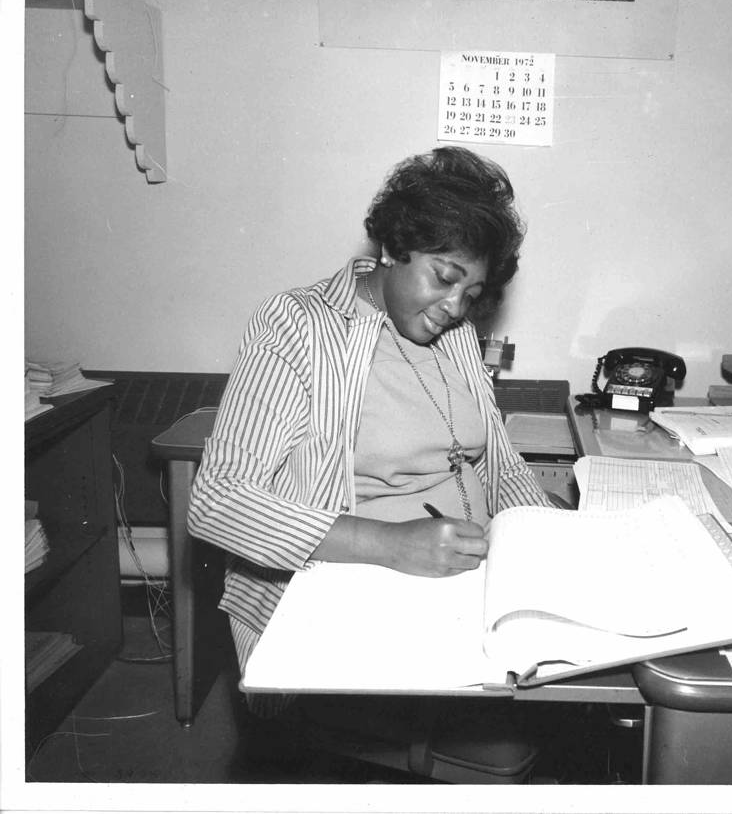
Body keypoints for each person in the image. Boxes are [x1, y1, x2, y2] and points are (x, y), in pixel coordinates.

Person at [187, 147, 555, 749]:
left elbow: (498, 462)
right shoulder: (299, 325)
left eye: (473, 293)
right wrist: (389, 544)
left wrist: (540, 538)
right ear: (392, 247)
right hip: (350, 598)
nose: (455, 308)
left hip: (473, 589)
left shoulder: (455, 334)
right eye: (444, 277)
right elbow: (217, 503)